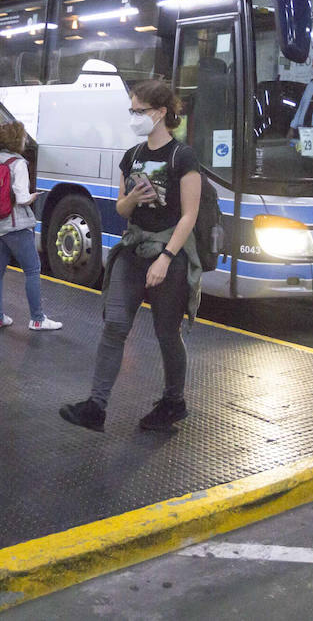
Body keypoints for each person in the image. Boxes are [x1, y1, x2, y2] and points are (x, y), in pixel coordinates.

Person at [61, 80, 201, 433]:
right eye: (132, 111)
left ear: (160, 113)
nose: (134, 117)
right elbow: (122, 208)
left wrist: (167, 257)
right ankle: (96, 406)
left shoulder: (182, 157)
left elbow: (189, 215)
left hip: (168, 255)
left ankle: (173, 402)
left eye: (139, 111)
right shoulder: (133, 155)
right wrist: (134, 199)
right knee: (114, 326)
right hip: (133, 250)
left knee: (167, 333)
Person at [0, 120, 59, 331]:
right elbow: (22, 198)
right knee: (32, 270)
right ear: (17, 139)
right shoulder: (18, 163)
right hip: (15, 226)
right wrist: (33, 197)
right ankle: (37, 319)